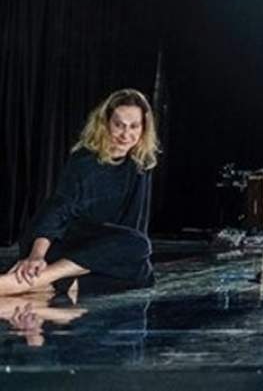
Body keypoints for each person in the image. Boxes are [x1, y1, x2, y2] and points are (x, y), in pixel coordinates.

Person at [0, 89, 159, 297]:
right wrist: (36, 255)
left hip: (106, 245)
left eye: (134, 126)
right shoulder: (84, 160)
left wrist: (125, 255)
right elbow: (58, 209)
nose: (125, 134)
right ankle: (44, 278)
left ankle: (47, 283)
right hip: (63, 240)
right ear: (106, 124)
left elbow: (134, 225)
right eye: (119, 125)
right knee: (137, 251)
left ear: (144, 128)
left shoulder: (140, 165)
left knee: (143, 270)